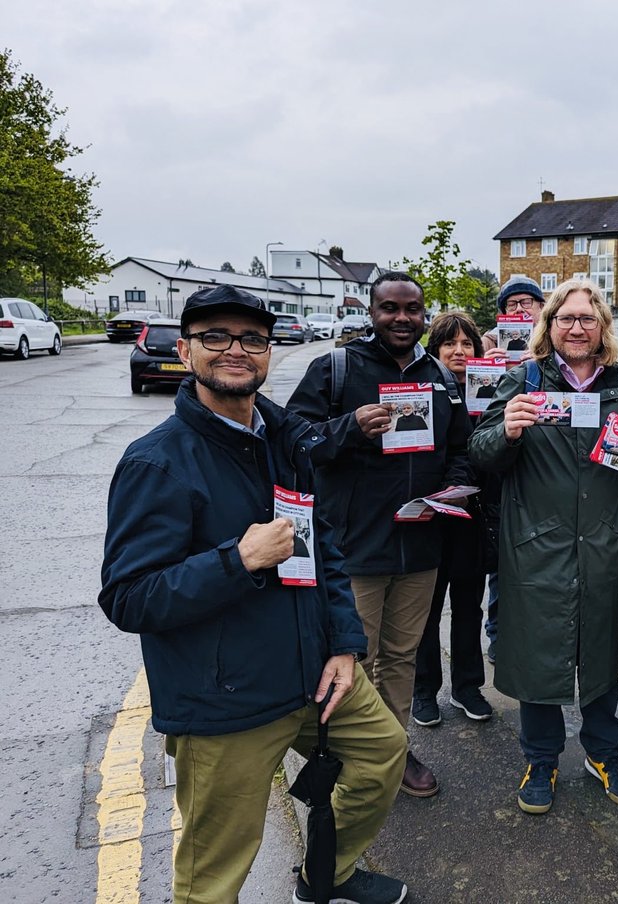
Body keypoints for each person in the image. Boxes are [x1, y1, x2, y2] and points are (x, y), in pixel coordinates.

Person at [99, 285, 410, 904]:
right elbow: (129, 597)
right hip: (224, 700)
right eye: (216, 337)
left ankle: (329, 873)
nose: (236, 350)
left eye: (252, 339)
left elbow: (324, 548)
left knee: (383, 755)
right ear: (186, 351)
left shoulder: (284, 439)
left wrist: (346, 645)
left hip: (314, 674)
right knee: (215, 871)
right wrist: (237, 560)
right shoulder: (157, 462)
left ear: (270, 352)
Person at [470, 278, 618, 816]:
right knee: (538, 655)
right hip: (537, 545)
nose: (577, 327)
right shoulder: (522, 379)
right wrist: (505, 428)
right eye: (566, 318)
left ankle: (604, 753)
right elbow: (480, 453)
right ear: (548, 326)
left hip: (601, 542)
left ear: (602, 329)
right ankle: (542, 758)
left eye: (587, 319)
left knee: (599, 650)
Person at [287, 271, 472, 800]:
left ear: (423, 313)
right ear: (371, 311)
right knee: (354, 659)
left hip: (420, 543)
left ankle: (393, 747)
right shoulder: (338, 368)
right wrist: (348, 427)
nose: (401, 318)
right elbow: (295, 439)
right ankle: (348, 757)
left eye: (411, 309)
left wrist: (454, 485)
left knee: (402, 657)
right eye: (390, 308)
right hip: (356, 547)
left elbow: (457, 446)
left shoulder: (438, 373)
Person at [412, 312, 494, 727]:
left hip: (472, 517)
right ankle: (423, 690)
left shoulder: (491, 390)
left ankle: (467, 687)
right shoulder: (423, 389)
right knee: (425, 610)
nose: (459, 351)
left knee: (468, 607)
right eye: (449, 344)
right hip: (430, 515)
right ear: (434, 349)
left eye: (467, 344)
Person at [481, 276, 548, 663]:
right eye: (513, 304)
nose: (521, 309)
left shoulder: (553, 344)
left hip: (542, 465)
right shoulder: (489, 343)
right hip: (503, 463)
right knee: (502, 561)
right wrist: (485, 372)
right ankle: (498, 635)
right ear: (501, 313)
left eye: (529, 302)